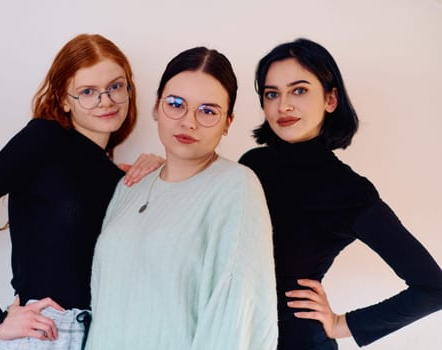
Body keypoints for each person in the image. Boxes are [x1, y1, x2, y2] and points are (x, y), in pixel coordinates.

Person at [0, 33, 162, 350]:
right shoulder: (44, 140)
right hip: (48, 333)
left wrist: (163, 174)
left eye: (116, 86)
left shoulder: (118, 177)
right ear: (64, 99)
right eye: (88, 91)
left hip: (107, 333)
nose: (105, 100)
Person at [239, 38, 442, 349]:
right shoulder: (252, 164)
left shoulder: (350, 192)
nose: (284, 106)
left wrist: (341, 323)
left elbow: (433, 288)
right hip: (233, 333)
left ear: (331, 99)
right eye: (271, 94)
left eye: (299, 90)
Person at [84, 47, 278, 350]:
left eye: (208, 111)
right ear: (156, 107)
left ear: (228, 122)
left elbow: (237, 318)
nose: (189, 122)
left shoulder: (236, 186)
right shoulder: (130, 187)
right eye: (176, 104)